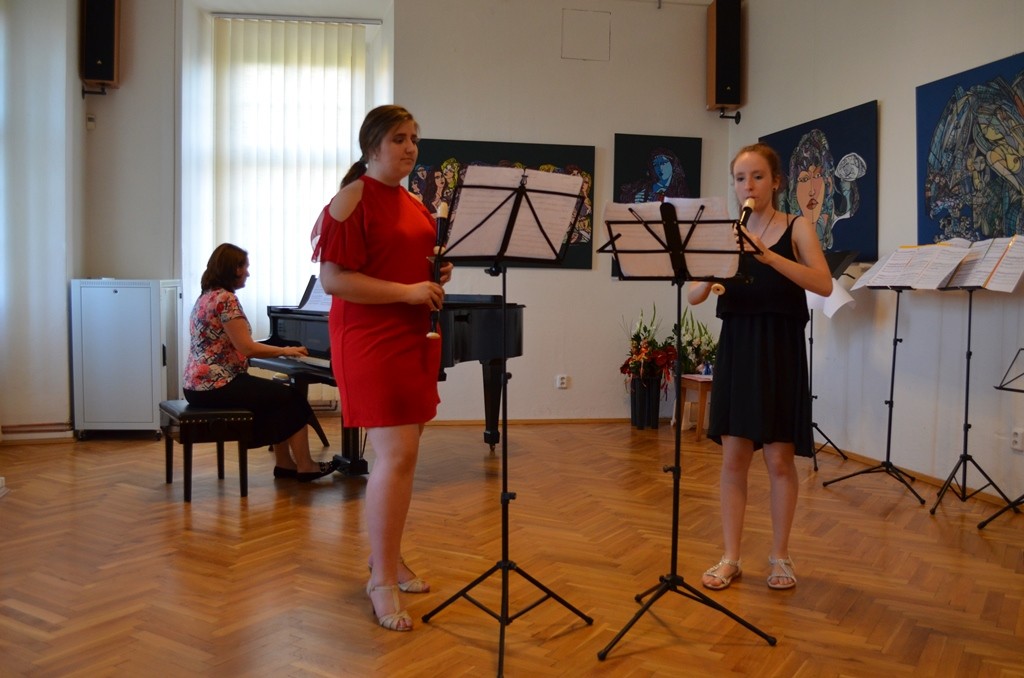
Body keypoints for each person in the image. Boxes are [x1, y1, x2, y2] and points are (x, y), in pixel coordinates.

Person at [312, 105, 453, 632]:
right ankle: (381, 581)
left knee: (404, 457)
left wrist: (435, 274)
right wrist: (408, 291)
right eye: (399, 138)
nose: (410, 147)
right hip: (370, 338)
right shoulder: (352, 197)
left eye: (414, 138)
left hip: (413, 334)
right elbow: (334, 280)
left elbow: (406, 261)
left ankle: (386, 558)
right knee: (396, 456)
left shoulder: (414, 202)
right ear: (371, 145)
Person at [687, 143, 832, 592]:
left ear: (776, 182)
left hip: (779, 348)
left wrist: (768, 257)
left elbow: (823, 283)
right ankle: (730, 557)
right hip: (738, 346)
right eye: (740, 178)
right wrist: (712, 272)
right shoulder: (727, 232)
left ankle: (780, 556)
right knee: (733, 459)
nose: (747, 186)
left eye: (757, 177)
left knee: (779, 460)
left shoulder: (796, 227)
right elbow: (693, 294)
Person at [183, 243, 338, 483]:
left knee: (278, 398)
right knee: (293, 398)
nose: (248, 272)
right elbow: (247, 348)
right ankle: (306, 466)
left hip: (197, 386)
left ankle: (285, 464)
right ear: (234, 268)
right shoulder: (226, 299)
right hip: (217, 385)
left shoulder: (206, 297)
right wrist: (285, 350)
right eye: (244, 267)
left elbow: (234, 343)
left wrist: (278, 351)